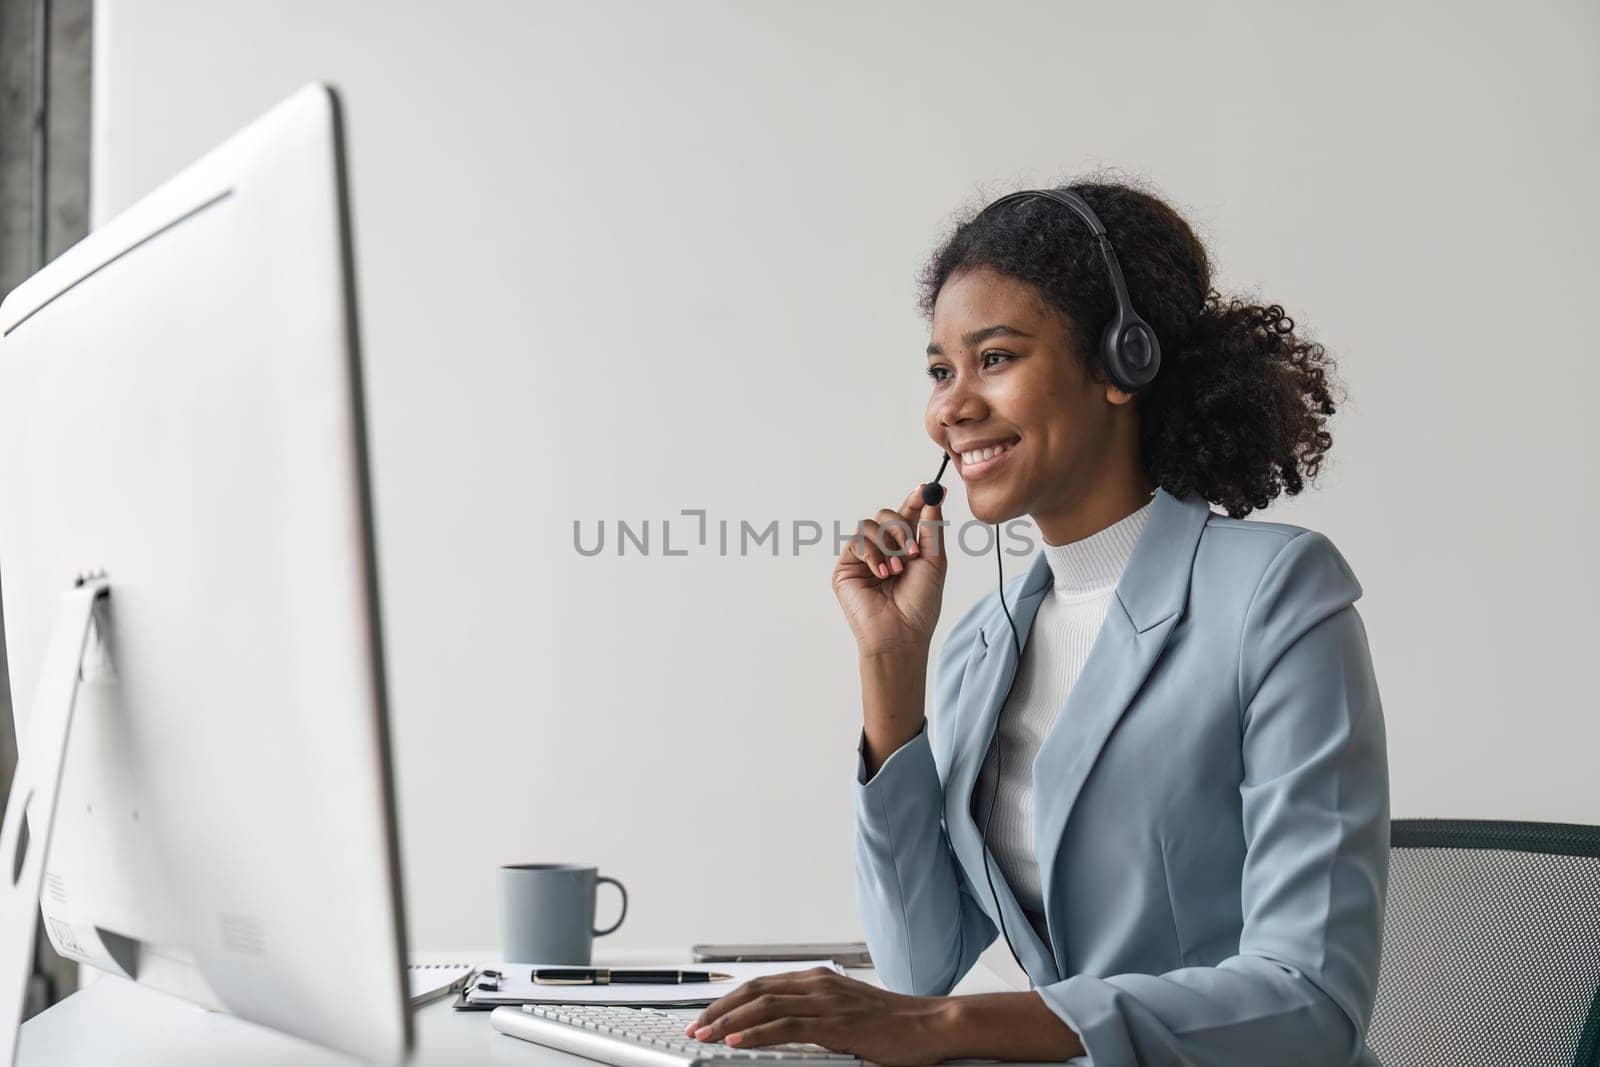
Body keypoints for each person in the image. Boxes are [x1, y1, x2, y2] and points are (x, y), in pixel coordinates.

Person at [684, 179, 1389, 1066]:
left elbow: (1309, 1000)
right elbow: (917, 966)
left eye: (996, 358)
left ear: (1120, 365)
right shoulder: (984, 644)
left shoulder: (1276, 594)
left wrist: (951, 1028)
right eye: (941, 369)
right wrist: (891, 674)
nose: (951, 407)